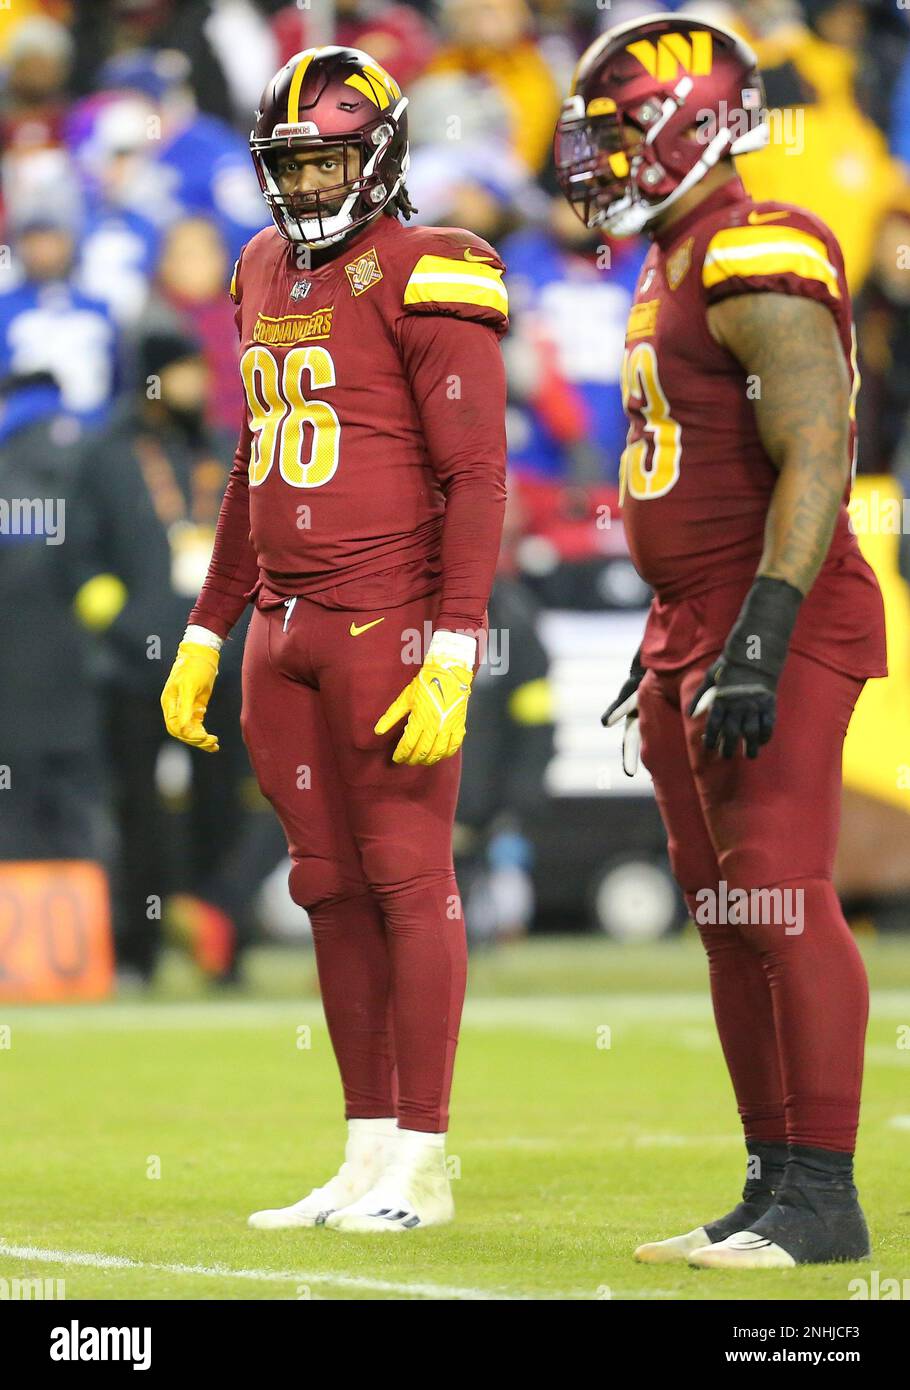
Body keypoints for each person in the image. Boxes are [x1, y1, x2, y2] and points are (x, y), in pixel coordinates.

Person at [555, 13, 885, 1268]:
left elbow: (817, 446)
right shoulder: (677, 249)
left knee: (781, 895)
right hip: (692, 618)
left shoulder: (753, 242)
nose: (600, 160)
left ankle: (823, 1196)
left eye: (619, 130)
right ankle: (770, 1182)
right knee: (727, 908)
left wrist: (760, 624)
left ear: (690, 120)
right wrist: (682, 627)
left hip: (774, 609)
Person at [160, 46, 508, 1233]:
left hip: (387, 618)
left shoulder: (429, 265)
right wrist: (209, 626)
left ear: (382, 154)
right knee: (325, 886)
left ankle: (426, 1156)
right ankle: (365, 1150)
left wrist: (455, 643)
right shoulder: (260, 264)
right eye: (289, 163)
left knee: (410, 881)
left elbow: (476, 477)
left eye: (327, 159)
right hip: (285, 627)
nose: (307, 185)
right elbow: (256, 466)